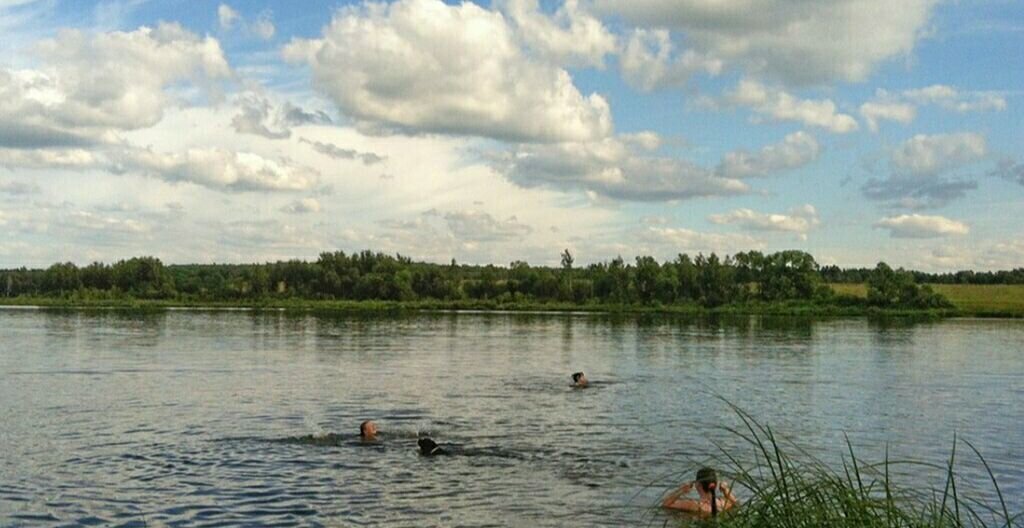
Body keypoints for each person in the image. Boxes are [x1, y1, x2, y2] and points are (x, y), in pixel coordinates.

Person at [662, 467, 738, 516]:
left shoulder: (694, 506)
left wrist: (681, 490)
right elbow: (736, 504)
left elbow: (666, 504)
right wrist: (726, 490)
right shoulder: (723, 504)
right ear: (716, 484)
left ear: (698, 485)